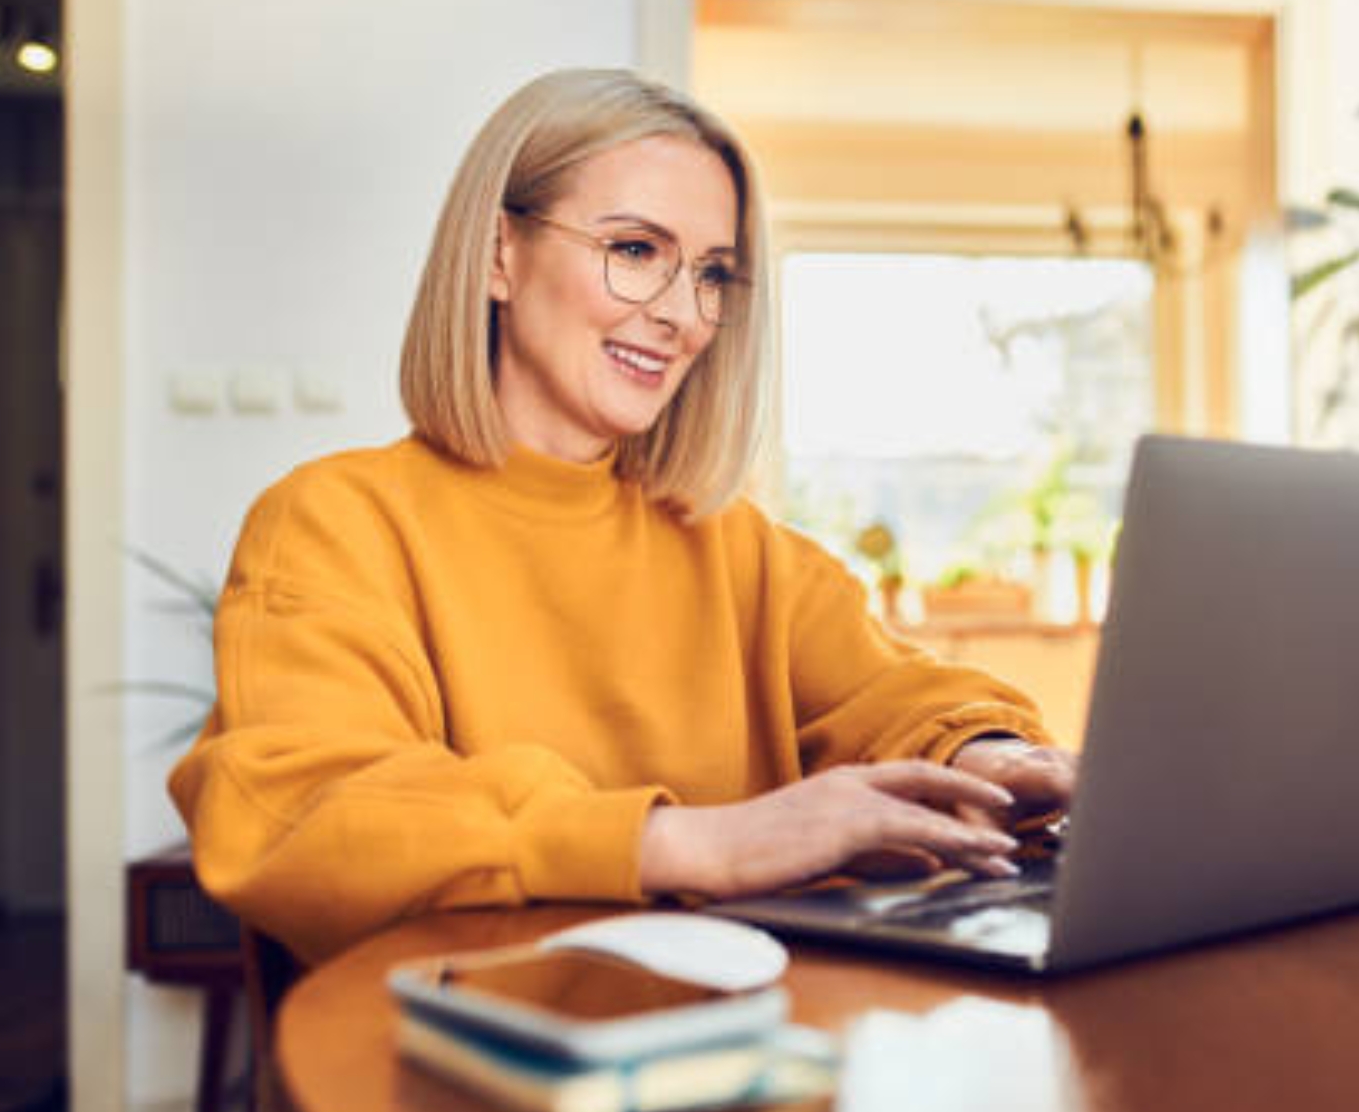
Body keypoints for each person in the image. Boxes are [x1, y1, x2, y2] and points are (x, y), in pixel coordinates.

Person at [168, 69, 1077, 965]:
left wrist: (986, 754)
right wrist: (697, 844)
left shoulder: (734, 544)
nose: (683, 315)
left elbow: (898, 693)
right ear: (498, 254)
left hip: (740, 1052)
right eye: (636, 250)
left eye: (712, 273)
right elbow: (309, 812)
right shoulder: (334, 522)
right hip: (457, 1061)